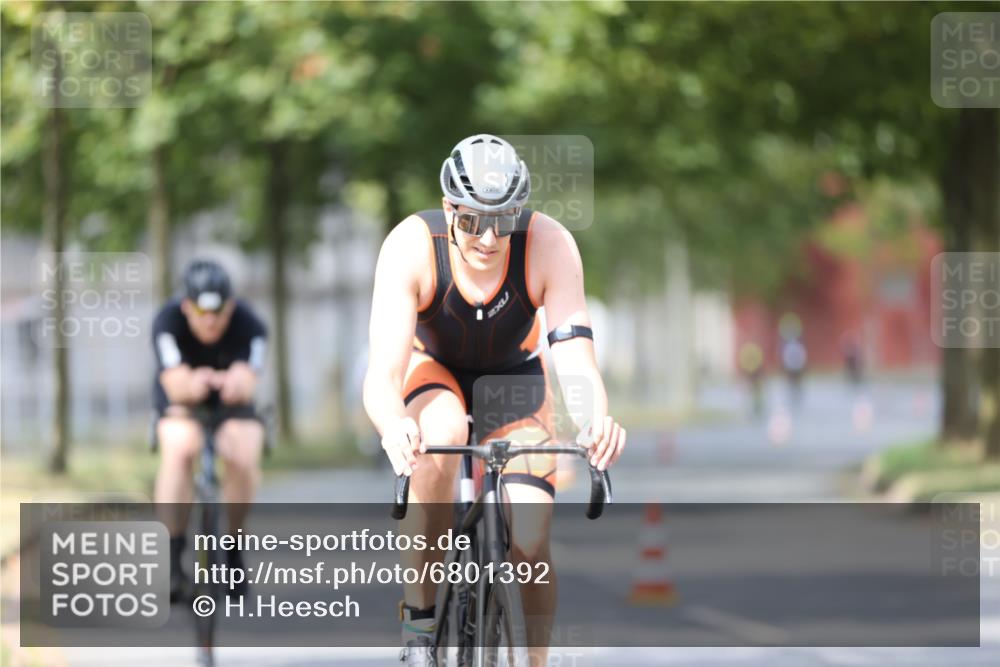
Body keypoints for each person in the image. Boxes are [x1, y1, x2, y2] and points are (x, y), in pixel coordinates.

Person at [363, 134, 627, 666]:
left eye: (502, 220)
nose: (487, 237)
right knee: (441, 434)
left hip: (515, 379)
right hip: (432, 370)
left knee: (530, 539)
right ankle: (418, 625)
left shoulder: (549, 244)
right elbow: (383, 374)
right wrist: (394, 425)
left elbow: (575, 360)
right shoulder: (410, 246)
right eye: (470, 221)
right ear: (448, 209)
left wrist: (596, 420)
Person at [152, 259, 268, 602]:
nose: (211, 321)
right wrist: (195, 382)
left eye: (219, 313)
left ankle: (232, 549)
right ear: (187, 307)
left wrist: (235, 382)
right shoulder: (167, 322)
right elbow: (175, 384)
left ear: (230, 306)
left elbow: (248, 380)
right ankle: (174, 557)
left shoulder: (251, 325)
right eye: (202, 312)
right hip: (182, 402)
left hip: (231, 405)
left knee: (244, 453)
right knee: (179, 449)